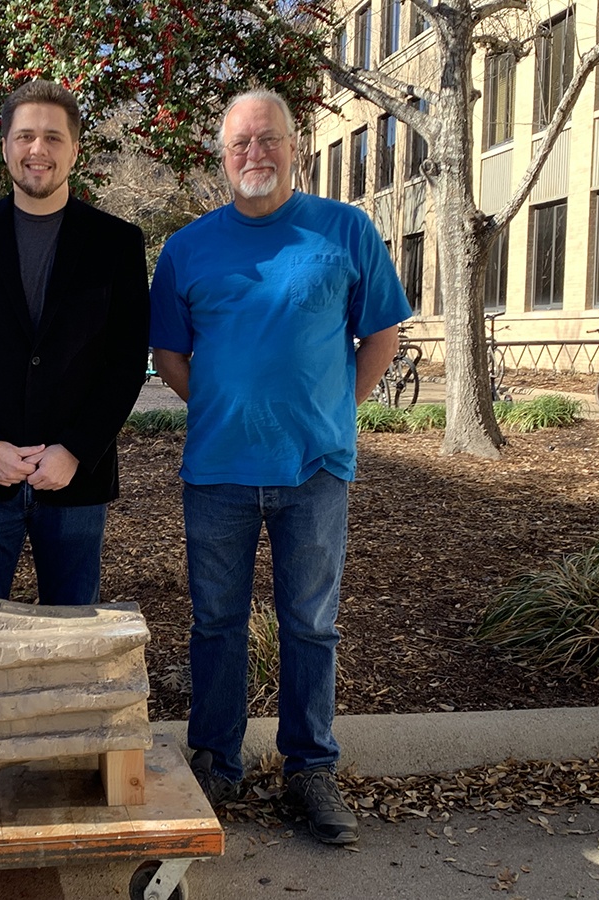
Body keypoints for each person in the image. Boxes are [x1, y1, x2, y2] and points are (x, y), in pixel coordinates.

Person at [149, 89, 411, 845]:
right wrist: (227, 408)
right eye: (240, 145)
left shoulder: (345, 230)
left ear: (295, 146)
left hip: (316, 471)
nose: (254, 155)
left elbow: (380, 337)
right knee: (216, 625)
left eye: (268, 141)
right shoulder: (188, 248)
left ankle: (310, 770)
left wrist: (332, 410)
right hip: (219, 472)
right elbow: (169, 354)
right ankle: (217, 763)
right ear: (222, 156)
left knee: (310, 626)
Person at [0, 80, 149, 606]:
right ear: (5, 146)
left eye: (53, 137)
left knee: (71, 639)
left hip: (74, 478)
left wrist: (74, 449)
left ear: (75, 149)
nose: (37, 150)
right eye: (25, 136)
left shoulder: (116, 244)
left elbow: (126, 360)